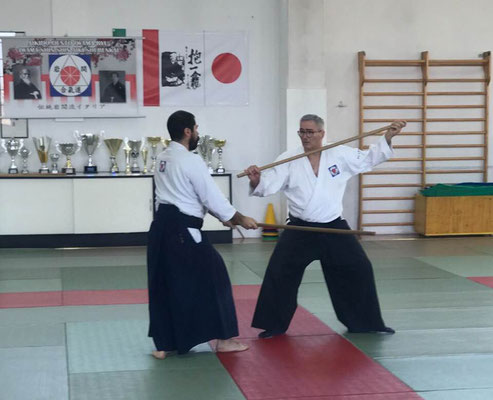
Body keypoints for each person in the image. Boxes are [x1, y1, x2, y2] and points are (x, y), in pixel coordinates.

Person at [244, 115, 406, 338]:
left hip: (333, 226)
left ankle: (366, 322)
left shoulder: (339, 153)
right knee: (279, 272)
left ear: (322, 133)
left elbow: (369, 158)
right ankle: (274, 325)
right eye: (302, 131)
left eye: (310, 132)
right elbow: (270, 183)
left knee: (359, 268)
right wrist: (256, 180)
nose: (305, 136)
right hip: (300, 229)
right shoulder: (289, 158)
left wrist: (387, 137)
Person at [147, 110, 258, 359]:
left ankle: (164, 344)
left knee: (164, 283)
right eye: (195, 129)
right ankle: (225, 339)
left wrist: (224, 217)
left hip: (161, 228)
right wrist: (239, 218)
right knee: (216, 276)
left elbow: (187, 194)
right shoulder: (190, 160)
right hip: (183, 232)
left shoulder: (163, 158)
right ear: (188, 131)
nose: (197, 133)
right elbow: (209, 195)